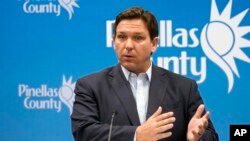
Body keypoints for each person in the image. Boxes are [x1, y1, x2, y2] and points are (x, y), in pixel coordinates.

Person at [71, 7, 218, 141]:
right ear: (113, 41)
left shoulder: (184, 87)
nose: (128, 46)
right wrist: (136, 135)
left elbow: (210, 135)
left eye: (137, 38)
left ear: (153, 44)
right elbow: (83, 132)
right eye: (121, 37)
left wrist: (196, 138)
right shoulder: (90, 86)